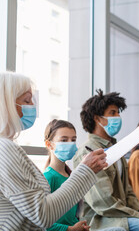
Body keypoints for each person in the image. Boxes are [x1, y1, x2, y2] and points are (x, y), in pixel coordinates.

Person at [0, 71, 107, 231]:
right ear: (7, 103)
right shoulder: (5, 149)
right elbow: (43, 215)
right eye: (27, 100)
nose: (33, 106)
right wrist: (85, 171)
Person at [73, 90, 139, 231]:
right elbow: (103, 203)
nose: (118, 117)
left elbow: (127, 191)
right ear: (97, 118)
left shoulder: (116, 149)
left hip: (123, 216)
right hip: (102, 220)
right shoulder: (88, 152)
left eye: (118, 113)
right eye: (113, 113)